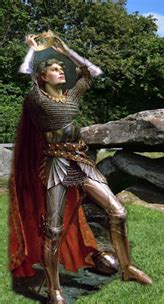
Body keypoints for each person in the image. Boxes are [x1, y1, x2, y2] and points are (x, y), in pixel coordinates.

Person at [8, 32, 152, 304]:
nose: (61, 71)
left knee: (118, 212)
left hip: (81, 161)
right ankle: (55, 291)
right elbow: (24, 70)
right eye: (54, 69)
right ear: (43, 77)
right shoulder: (38, 99)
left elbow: (93, 72)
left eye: (61, 68)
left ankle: (128, 268)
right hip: (55, 164)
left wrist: (66, 50)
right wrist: (32, 49)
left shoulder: (71, 96)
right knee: (53, 229)